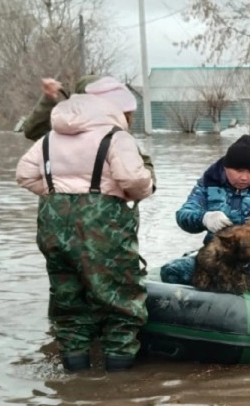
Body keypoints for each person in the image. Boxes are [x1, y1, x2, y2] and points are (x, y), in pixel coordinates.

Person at [15, 76, 154, 373]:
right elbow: (133, 179)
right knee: (120, 298)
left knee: (68, 299)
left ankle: (74, 384)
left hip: (53, 221)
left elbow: (24, 175)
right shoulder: (116, 137)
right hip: (101, 222)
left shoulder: (50, 136)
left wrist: (59, 194)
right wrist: (141, 188)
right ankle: (119, 387)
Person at [159, 135, 250, 294]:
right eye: (238, 170)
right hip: (217, 258)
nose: (244, 177)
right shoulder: (209, 184)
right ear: (226, 167)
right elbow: (184, 214)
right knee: (171, 271)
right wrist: (204, 218)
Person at [20, 75, 155, 189]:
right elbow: (32, 131)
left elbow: (26, 175)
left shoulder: (62, 130)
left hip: (61, 214)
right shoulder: (63, 129)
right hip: (104, 213)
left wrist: (51, 193)